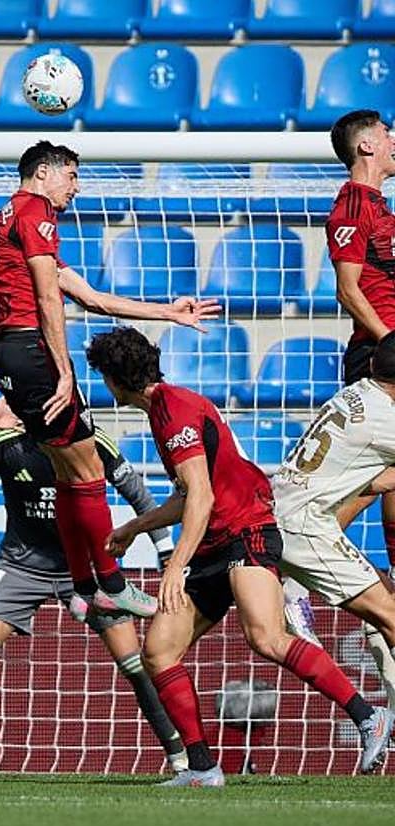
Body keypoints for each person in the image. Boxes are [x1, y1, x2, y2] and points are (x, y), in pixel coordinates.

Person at [88, 327, 393, 786]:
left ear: (113, 379)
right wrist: (135, 527)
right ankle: (202, 768)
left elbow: (202, 496)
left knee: (266, 637)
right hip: (216, 539)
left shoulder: (174, 411)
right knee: (159, 651)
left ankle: (369, 716)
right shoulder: (166, 407)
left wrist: (174, 565)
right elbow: (190, 495)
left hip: (248, 529)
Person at [0, 140, 220, 619]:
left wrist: (167, 312)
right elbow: (48, 299)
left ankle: (87, 585)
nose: (76, 187)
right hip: (31, 351)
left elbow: (89, 297)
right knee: (90, 468)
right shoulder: (36, 211)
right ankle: (110, 582)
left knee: (69, 471)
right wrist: (63, 371)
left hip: (8, 352)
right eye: (71, 175)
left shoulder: (9, 217)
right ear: (44, 173)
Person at [0, 402, 185, 775]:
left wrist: (166, 553)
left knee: (134, 665)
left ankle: (178, 754)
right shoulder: (3, 442)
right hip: (21, 565)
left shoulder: (91, 440)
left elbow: (139, 496)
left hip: (88, 568)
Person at [270, 330, 395, 708]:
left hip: (285, 510)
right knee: (389, 613)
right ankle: (293, 588)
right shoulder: (386, 421)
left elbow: (367, 477)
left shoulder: (353, 394)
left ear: (371, 364)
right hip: (304, 526)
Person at [323, 109, 395, 700]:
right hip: (379, 358)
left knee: (388, 474)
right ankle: (299, 569)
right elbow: (348, 289)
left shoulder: (379, 206)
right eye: (388, 134)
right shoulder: (352, 203)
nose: (394, 141)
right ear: (368, 144)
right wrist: (390, 344)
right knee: (371, 476)